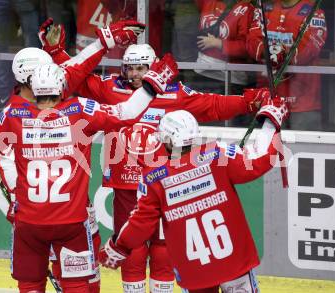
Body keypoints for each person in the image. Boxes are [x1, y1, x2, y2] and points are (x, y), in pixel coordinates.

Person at [39, 20, 273, 293]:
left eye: (141, 68)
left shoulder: (175, 94)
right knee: (134, 249)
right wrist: (57, 54)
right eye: (129, 68)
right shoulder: (111, 89)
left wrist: (249, 101)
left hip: (167, 185)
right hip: (128, 186)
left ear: (153, 68)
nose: (134, 74)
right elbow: (74, 80)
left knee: (163, 249)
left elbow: (214, 104)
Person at [0, 47, 179, 293]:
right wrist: (152, 84)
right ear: (60, 87)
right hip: (71, 225)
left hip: (30, 225)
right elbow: (128, 112)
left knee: (30, 286)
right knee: (78, 286)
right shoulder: (80, 110)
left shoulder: (14, 115)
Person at [0, 19, 145, 293]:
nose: (57, 74)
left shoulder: (29, 101)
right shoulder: (20, 112)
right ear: (31, 77)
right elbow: (5, 158)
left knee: (85, 266)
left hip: (71, 206)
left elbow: (75, 69)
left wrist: (98, 43)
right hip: (43, 210)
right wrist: (18, 196)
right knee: (57, 269)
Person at [98, 98, 290, 292]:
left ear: (167, 141)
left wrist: (117, 248)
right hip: (234, 262)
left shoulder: (154, 178)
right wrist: (271, 122)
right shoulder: (217, 154)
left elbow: (141, 224)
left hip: (194, 271)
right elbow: (260, 159)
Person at [246, 0, 327, 130]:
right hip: (269, 100)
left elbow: (307, 49)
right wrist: (269, 52)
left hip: (303, 103)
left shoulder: (314, 11)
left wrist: (281, 53)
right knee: (265, 149)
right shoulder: (264, 8)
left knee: (303, 148)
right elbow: (251, 43)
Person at [193, 0, 256, 127]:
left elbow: (251, 49)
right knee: (201, 128)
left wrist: (219, 43)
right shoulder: (208, 2)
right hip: (203, 74)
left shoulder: (246, 8)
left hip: (231, 80)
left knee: (228, 131)